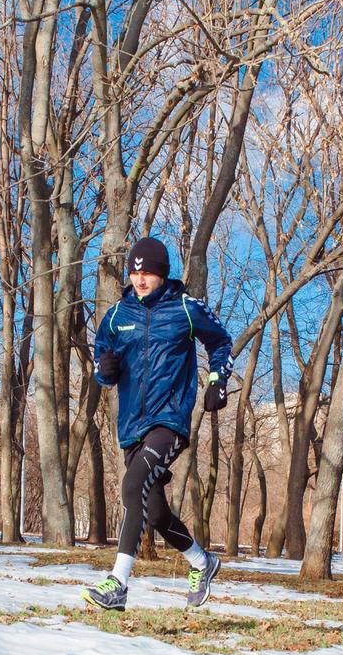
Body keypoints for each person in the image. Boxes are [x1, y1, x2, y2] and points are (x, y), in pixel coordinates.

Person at [83, 236, 234, 612]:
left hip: (170, 418)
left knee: (132, 485)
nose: (140, 279)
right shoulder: (118, 316)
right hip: (132, 424)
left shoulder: (185, 307)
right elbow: (102, 358)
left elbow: (221, 343)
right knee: (154, 510)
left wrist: (217, 380)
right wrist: (106, 370)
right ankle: (202, 561)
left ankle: (118, 583)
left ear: (162, 273)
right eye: (135, 273)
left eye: (147, 272)